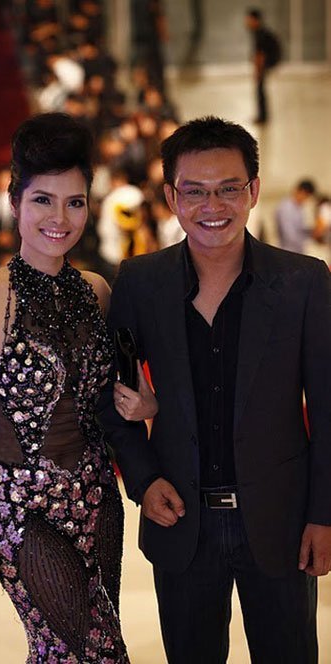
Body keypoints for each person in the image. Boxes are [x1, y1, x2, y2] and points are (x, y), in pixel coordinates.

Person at [99, 116, 331, 663]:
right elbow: (110, 396)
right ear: (171, 197)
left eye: (229, 189)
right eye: (195, 191)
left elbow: (327, 409)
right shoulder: (141, 281)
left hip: (280, 520)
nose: (213, 206)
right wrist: (143, 479)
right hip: (181, 519)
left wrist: (323, 514)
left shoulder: (303, 282)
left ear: (253, 190)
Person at [0, 112, 156, 663]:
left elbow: (117, 396)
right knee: (97, 650)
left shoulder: (98, 291)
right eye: (43, 200)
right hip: (19, 509)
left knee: (62, 651)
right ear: (15, 203)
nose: (59, 218)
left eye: (74, 202)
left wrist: (146, 405)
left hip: (97, 498)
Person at [245, 8, 282, 124]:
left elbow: (260, 55)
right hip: (267, 62)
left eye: (249, 19)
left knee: (260, 89)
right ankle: (262, 116)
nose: (247, 22)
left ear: (255, 20)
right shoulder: (260, 32)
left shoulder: (260, 34)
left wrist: (258, 72)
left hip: (267, 63)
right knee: (260, 90)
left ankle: (262, 117)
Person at [275, 178, 316, 254]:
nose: (306, 200)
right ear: (302, 192)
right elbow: (289, 234)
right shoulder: (286, 208)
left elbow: (299, 229)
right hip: (287, 250)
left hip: (297, 250)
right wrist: (306, 243)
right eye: (307, 196)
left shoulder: (298, 208)